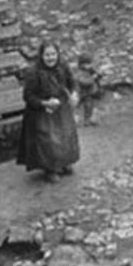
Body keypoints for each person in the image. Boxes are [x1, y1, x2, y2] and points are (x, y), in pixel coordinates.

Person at [16, 41, 79, 183]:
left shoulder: (63, 66)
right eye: (47, 55)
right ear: (41, 56)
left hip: (61, 107)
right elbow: (28, 96)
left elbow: (71, 82)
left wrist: (73, 93)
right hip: (42, 111)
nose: (51, 58)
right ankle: (50, 169)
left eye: (53, 54)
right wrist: (45, 103)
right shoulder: (34, 72)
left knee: (67, 134)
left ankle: (65, 162)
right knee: (49, 140)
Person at [75, 53, 102, 127]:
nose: (90, 65)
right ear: (81, 65)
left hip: (88, 93)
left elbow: (98, 77)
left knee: (88, 107)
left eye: (90, 63)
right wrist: (93, 78)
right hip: (81, 93)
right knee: (77, 107)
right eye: (88, 64)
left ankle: (88, 121)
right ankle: (75, 121)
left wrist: (98, 75)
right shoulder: (80, 73)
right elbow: (84, 82)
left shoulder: (90, 71)